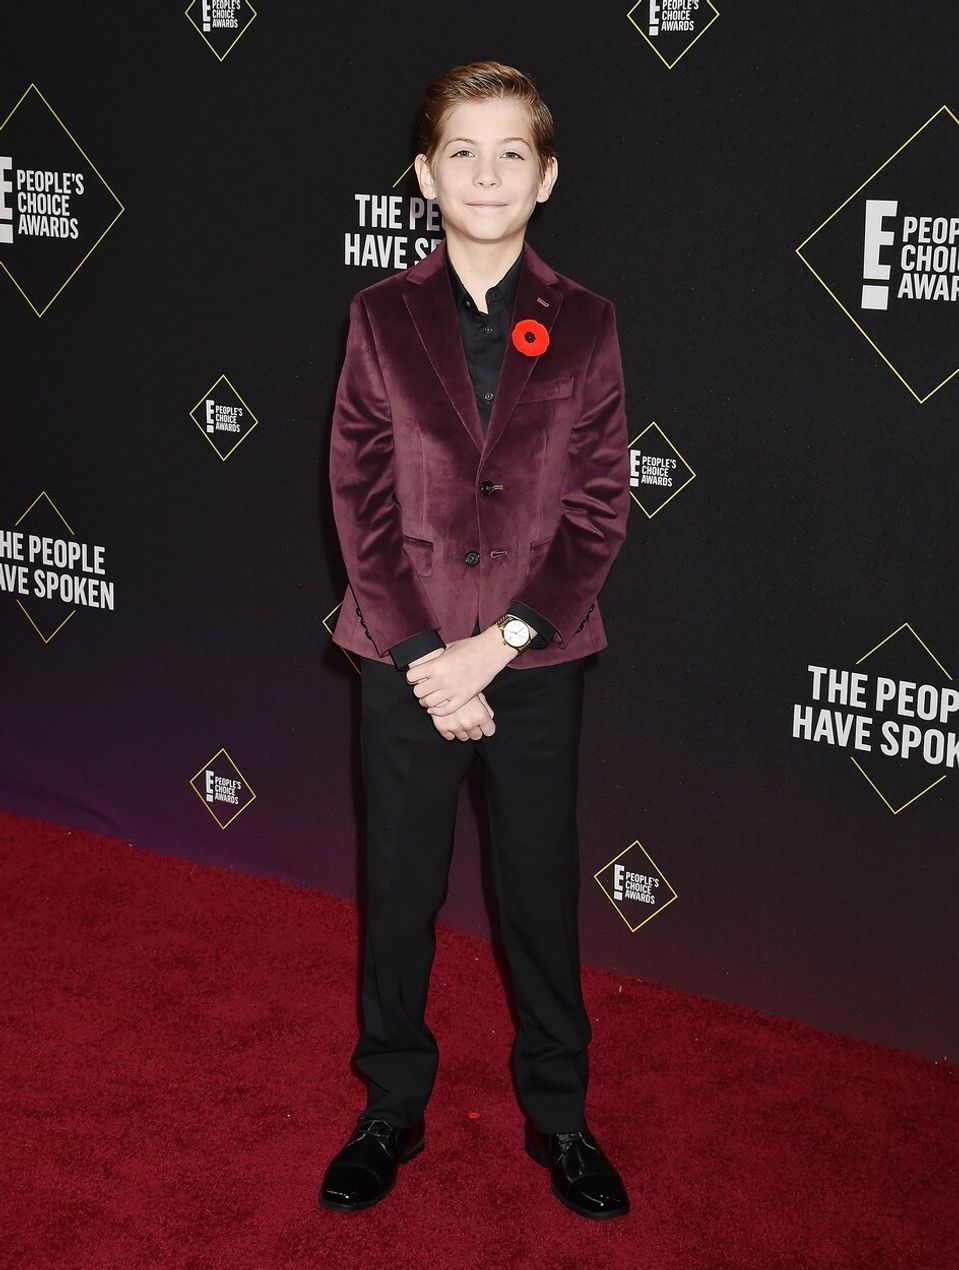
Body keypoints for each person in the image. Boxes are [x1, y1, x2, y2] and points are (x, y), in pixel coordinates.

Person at [321, 60, 631, 1220]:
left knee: (538, 894)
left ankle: (560, 1113)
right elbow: (359, 498)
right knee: (398, 892)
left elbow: (596, 509)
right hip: (400, 657)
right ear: (423, 175)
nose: (485, 173)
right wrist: (422, 659)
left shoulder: (587, 322)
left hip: (533, 659)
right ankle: (389, 1104)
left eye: (511, 153)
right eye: (461, 151)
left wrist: (493, 645)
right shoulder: (378, 316)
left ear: (544, 176)